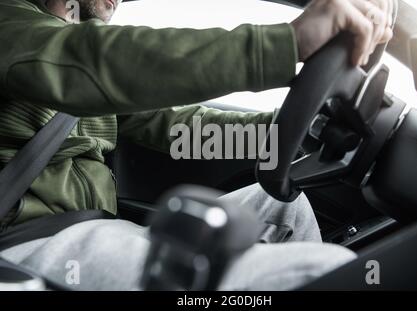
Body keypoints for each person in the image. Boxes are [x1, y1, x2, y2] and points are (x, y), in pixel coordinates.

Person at [0, 0, 394, 290]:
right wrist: (282, 44)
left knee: (284, 204)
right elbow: (97, 58)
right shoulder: (12, 26)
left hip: (101, 229)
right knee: (323, 273)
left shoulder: (89, 71)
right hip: (27, 245)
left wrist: (293, 130)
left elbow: (181, 129)